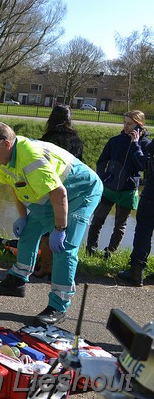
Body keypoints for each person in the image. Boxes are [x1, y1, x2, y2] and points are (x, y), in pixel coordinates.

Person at [0, 122, 102, 325]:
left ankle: (59, 306)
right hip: (53, 195)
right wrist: (23, 217)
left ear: (8, 144)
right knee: (28, 232)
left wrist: (59, 228)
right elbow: (14, 185)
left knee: (64, 249)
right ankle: (17, 281)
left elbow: (59, 192)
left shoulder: (31, 157)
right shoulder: (3, 158)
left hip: (80, 192)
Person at [86, 111, 150, 259]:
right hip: (109, 188)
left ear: (139, 125)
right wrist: (103, 178)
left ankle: (109, 253)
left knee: (120, 226)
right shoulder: (115, 141)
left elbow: (142, 166)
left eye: (130, 124)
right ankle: (91, 250)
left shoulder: (145, 144)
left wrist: (135, 145)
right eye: (124, 122)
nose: (126, 126)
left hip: (127, 190)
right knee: (97, 220)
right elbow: (101, 161)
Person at [33, 105, 85, 278]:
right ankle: (58, 268)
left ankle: (45, 265)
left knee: (47, 226)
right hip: (72, 187)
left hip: (50, 185)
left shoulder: (47, 139)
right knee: (64, 227)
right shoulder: (76, 140)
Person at [117, 139, 154, 286]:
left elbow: (142, 162)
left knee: (143, 231)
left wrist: (137, 145)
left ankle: (136, 271)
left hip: (152, 194)